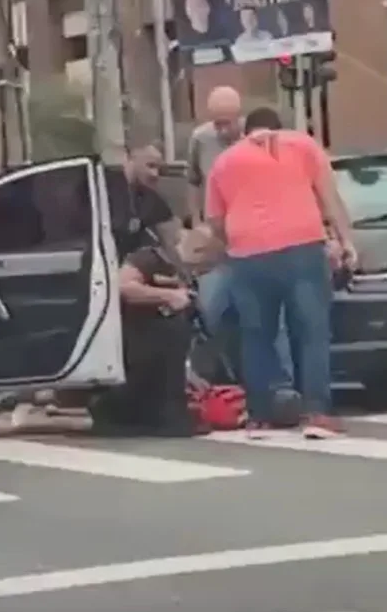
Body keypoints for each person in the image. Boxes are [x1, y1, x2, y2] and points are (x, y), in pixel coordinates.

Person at [205, 107, 357, 439]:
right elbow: (330, 199)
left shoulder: (225, 161)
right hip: (301, 246)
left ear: (247, 132)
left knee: (256, 333)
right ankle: (317, 414)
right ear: (279, 128)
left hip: (247, 253)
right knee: (311, 330)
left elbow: (215, 221)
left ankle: (259, 417)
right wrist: (346, 242)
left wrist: (236, 239)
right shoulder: (303, 146)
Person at [0, 245, 205, 443]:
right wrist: (168, 296)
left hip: (160, 374)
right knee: (107, 421)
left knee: (161, 424)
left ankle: (30, 417)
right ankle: (20, 423)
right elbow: (122, 286)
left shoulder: (188, 276)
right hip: (135, 362)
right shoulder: (153, 257)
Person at [187, 88, 294, 383]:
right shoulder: (201, 140)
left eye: (227, 123)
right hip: (219, 242)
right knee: (211, 309)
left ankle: (282, 383)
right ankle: (232, 374)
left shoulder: (257, 142)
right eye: (216, 123)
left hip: (257, 242)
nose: (222, 130)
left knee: (269, 317)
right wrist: (199, 223)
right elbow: (194, 181)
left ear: (240, 119)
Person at [105, 137, 180, 262]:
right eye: (150, 166)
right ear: (130, 159)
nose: (155, 174)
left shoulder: (152, 198)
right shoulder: (104, 188)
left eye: (159, 169)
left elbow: (172, 239)